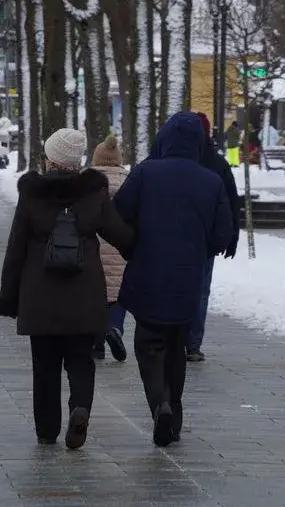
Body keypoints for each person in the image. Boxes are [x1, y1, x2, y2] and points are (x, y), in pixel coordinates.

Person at [0, 128, 133, 449]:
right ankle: (80, 407)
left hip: (40, 298)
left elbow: (16, 251)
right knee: (81, 360)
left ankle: (46, 431)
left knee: (45, 366)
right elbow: (122, 237)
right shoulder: (93, 195)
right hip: (84, 298)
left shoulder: (32, 196)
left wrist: (8, 297)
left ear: (51, 159)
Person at [114, 111, 233, 447]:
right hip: (187, 278)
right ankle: (174, 414)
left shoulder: (145, 173)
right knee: (177, 347)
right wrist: (198, 248)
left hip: (147, 273)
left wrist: (133, 244)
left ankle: (159, 405)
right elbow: (223, 234)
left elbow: (119, 211)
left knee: (148, 344)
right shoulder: (210, 181)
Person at [187, 113, 241, 362]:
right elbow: (231, 202)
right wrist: (231, 236)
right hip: (205, 240)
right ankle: (193, 342)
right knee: (200, 291)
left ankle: (172, 337)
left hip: (174, 237)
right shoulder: (217, 163)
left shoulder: (168, 158)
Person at [89, 133, 129, 362]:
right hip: (119, 245)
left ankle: (96, 342)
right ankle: (115, 328)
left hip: (94, 245)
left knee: (95, 293)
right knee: (118, 294)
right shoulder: (129, 180)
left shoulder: (88, 180)